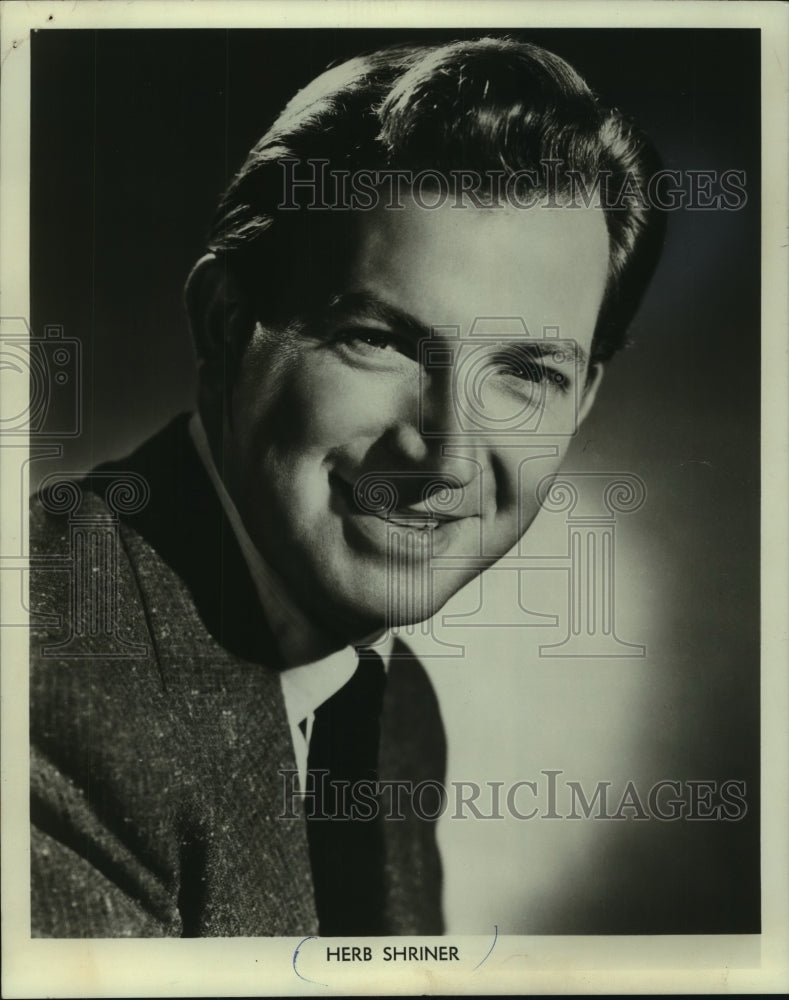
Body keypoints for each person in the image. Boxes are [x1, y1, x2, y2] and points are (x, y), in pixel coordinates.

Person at [29, 36, 664, 937]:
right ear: (224, 326)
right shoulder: (46, 682)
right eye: (382, 340)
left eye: (525, 371)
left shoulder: (386, 709)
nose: (445, 455)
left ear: (583, 399)